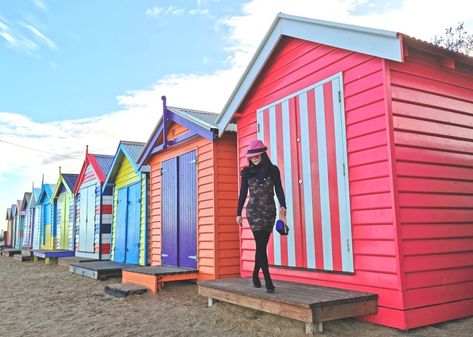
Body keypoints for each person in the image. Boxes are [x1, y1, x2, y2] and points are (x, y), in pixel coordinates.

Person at [236, 139, 287, 293]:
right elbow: (243, 194)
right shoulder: (247, 173)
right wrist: (238, 213)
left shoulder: (273, 170)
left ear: (262, 154)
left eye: (256, 155)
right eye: (251, 156)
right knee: (260, 244)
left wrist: (283, 206)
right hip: (254, 212)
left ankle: (254, 275)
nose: (253, 158)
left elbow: (278, 189)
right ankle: (268, 281)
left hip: (269, 212)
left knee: (262, 246)